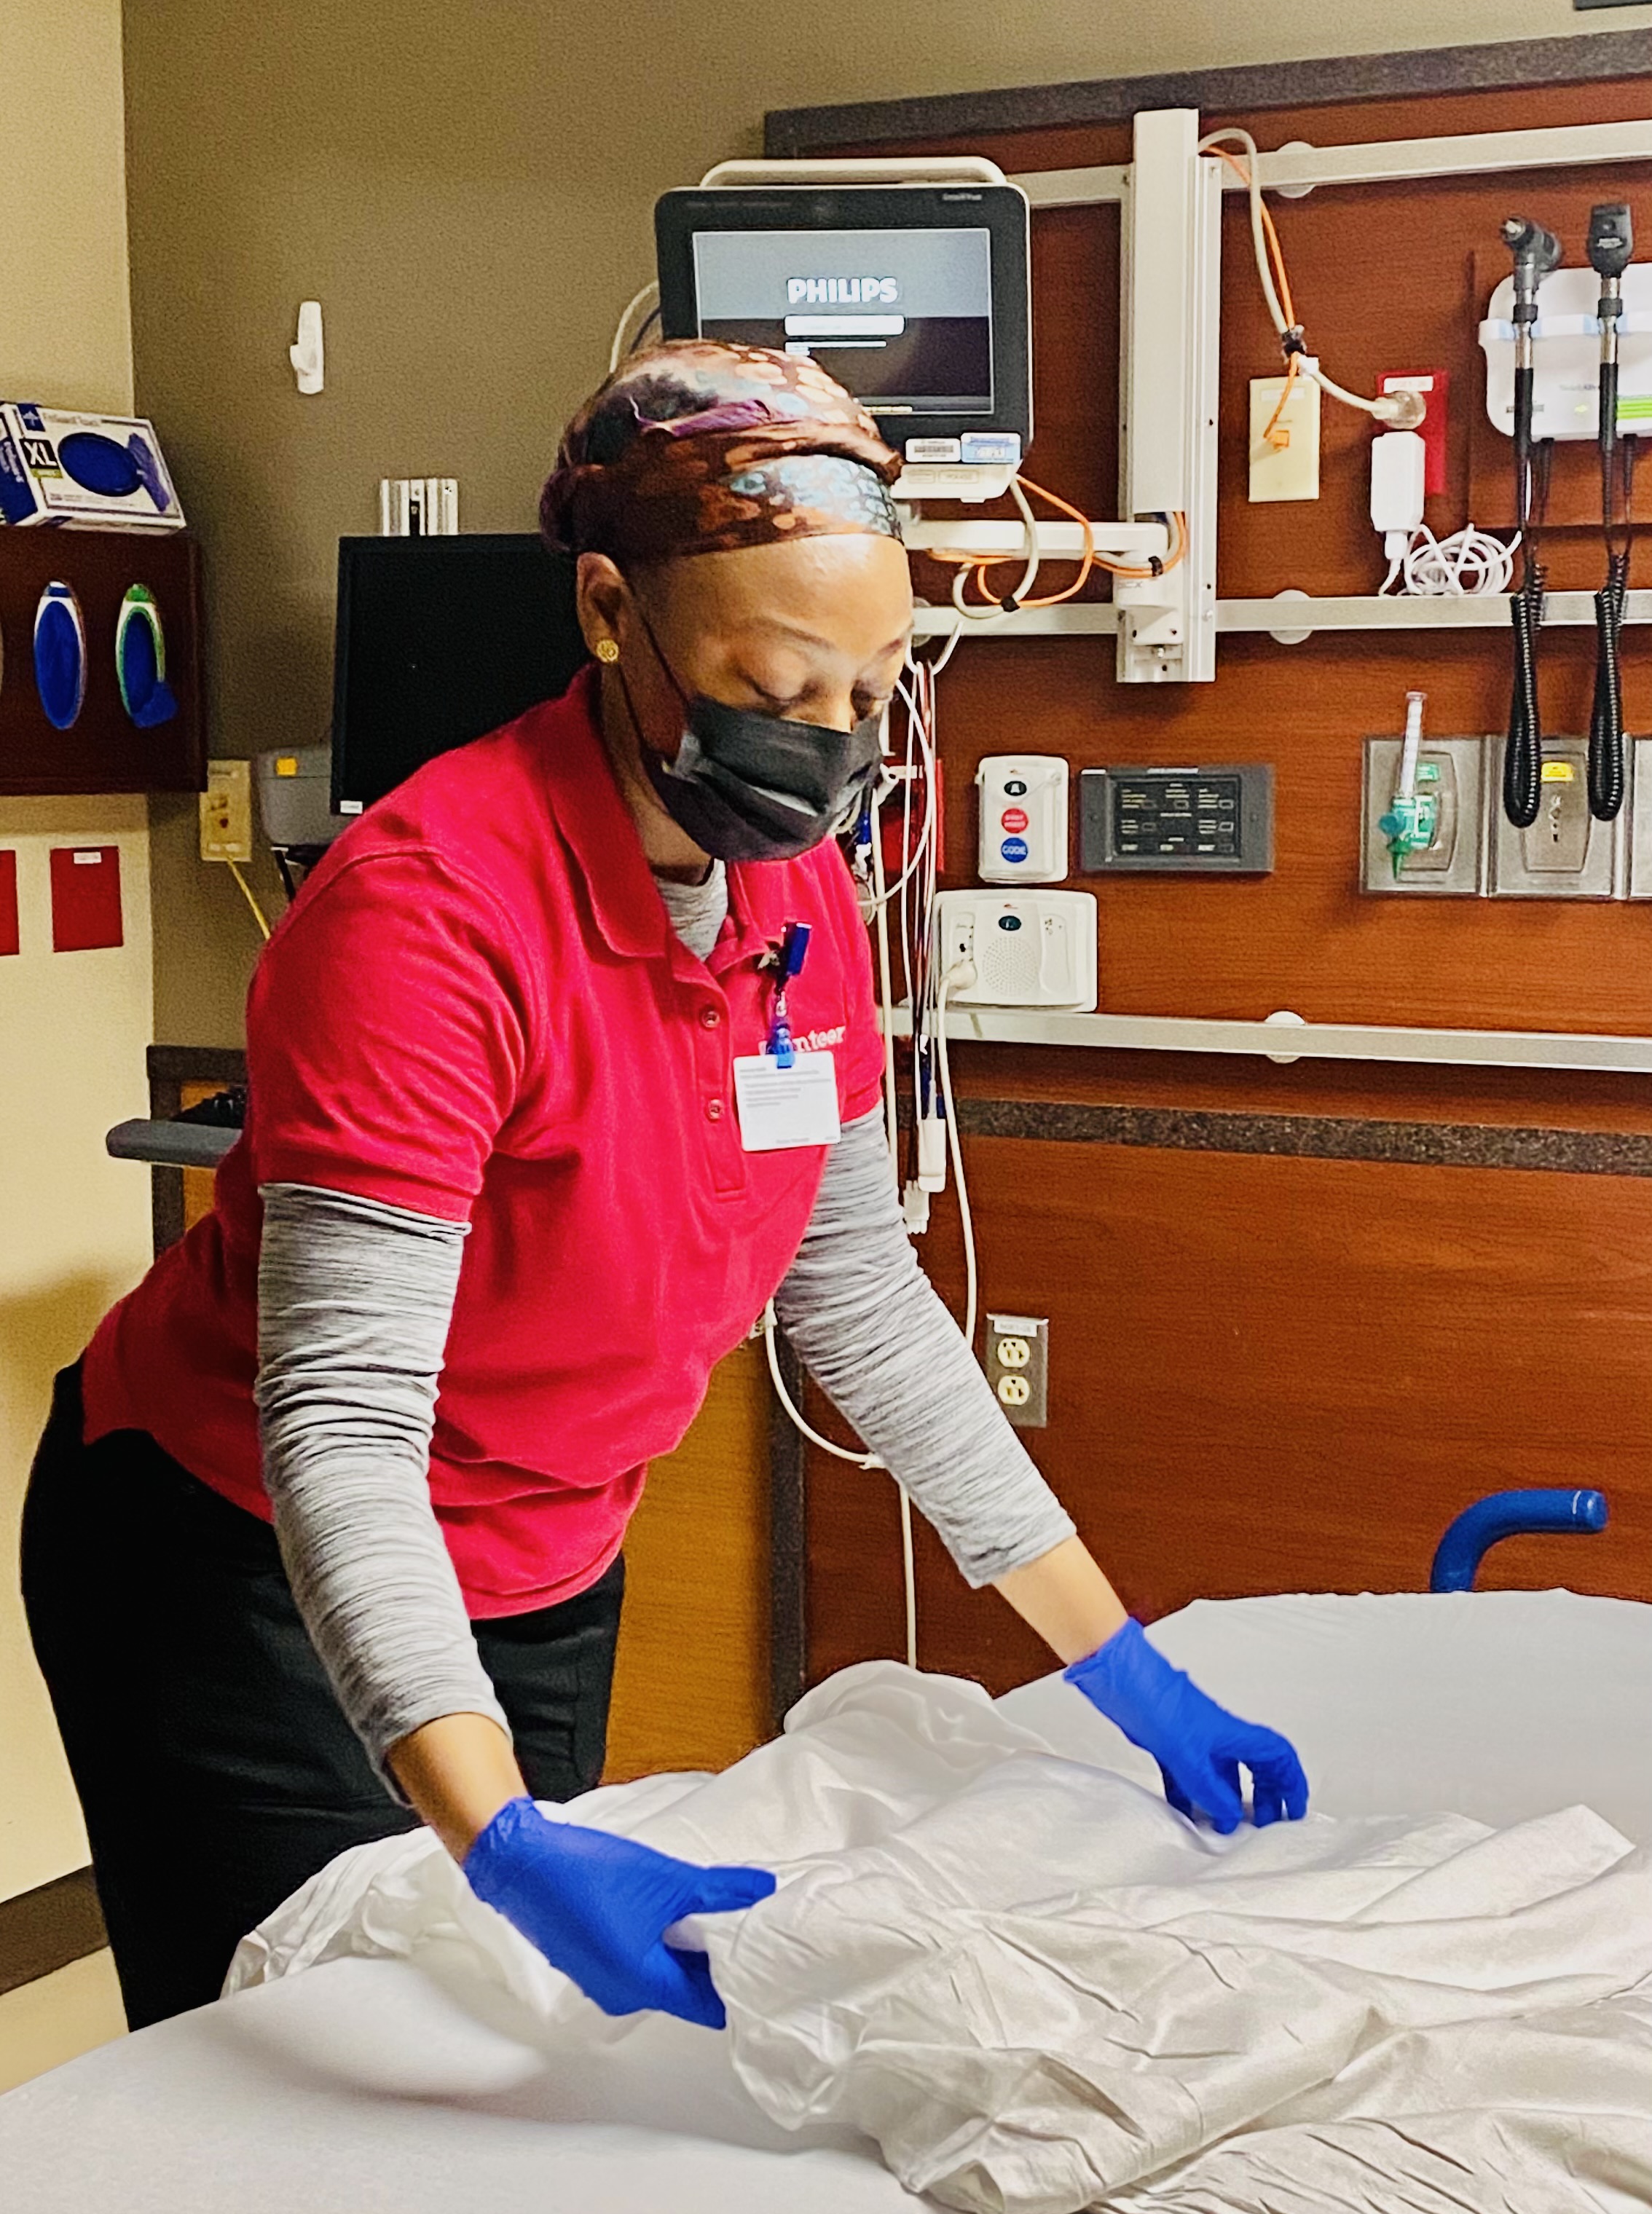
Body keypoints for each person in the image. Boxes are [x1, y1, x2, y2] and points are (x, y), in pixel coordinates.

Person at [20, 341, 1307, 2036]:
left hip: (544, 1561)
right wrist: (504, 1844)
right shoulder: (429, 918)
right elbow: (338, 1426)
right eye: (779, 690)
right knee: (313, 2072)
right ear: (615, 615)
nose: (833, 747)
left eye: (873, 691)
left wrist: (1113, 1662)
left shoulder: (801, 907)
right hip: (244, 1573)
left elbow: (861, 1302)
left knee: (528, 2049)